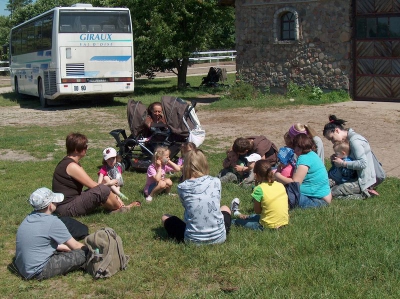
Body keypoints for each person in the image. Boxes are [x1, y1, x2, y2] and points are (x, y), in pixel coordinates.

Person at [52, 133, 139, 217]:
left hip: (66, 203)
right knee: (103, 190)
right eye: (85, 146)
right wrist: (110, 190)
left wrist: (111, 194)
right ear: (76, 149)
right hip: (66, 208)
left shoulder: (68, 162)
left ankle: (114, 209)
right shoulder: (72, 166)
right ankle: (122, 208)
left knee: (102, 190)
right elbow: (94, 186)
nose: (86, 148)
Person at [14, 187, 87, 280]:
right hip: (38, 271)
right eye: (55, 201)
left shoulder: (29, 218)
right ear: (50, 206)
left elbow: (39, 242)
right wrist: (91, 249)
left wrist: (63, 247)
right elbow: (76, 245)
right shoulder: (53, 222)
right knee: (83, 253)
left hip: (23, 267)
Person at [161, 149, 232, 244]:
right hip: (220, 237)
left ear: (186, 166)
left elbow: (187, 207)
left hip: (192, 240)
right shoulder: (216, 181)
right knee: (225, 208)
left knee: (165, 217)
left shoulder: (182, 187)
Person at [323, 115, 377, 198]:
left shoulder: (355, 141)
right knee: (323, 187)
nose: (332, 142)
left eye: (332, 138)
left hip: (362, 180)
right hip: (350, 176)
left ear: (337, 130)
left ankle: (364, 194)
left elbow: (363, 164)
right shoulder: (347, 139)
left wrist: (343, 163)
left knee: (332, 193)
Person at [274, 134, 332, 208]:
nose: (294, 151)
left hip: (318, 200)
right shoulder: (312, 154)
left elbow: (295, 183)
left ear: (300, 147)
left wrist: (277, 175)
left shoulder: (304, 159)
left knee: (281, 194)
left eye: (295, 148)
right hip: (322, 197)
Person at [231, 160, 289, 230]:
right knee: (255, 216)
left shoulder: (259, 189)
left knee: (235, 222)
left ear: (256, 175)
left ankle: (229, 218)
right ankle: (238, 214)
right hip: (283, 223)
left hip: (267, 226)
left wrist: (256, 186)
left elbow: (257, 211)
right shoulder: (280, 185)